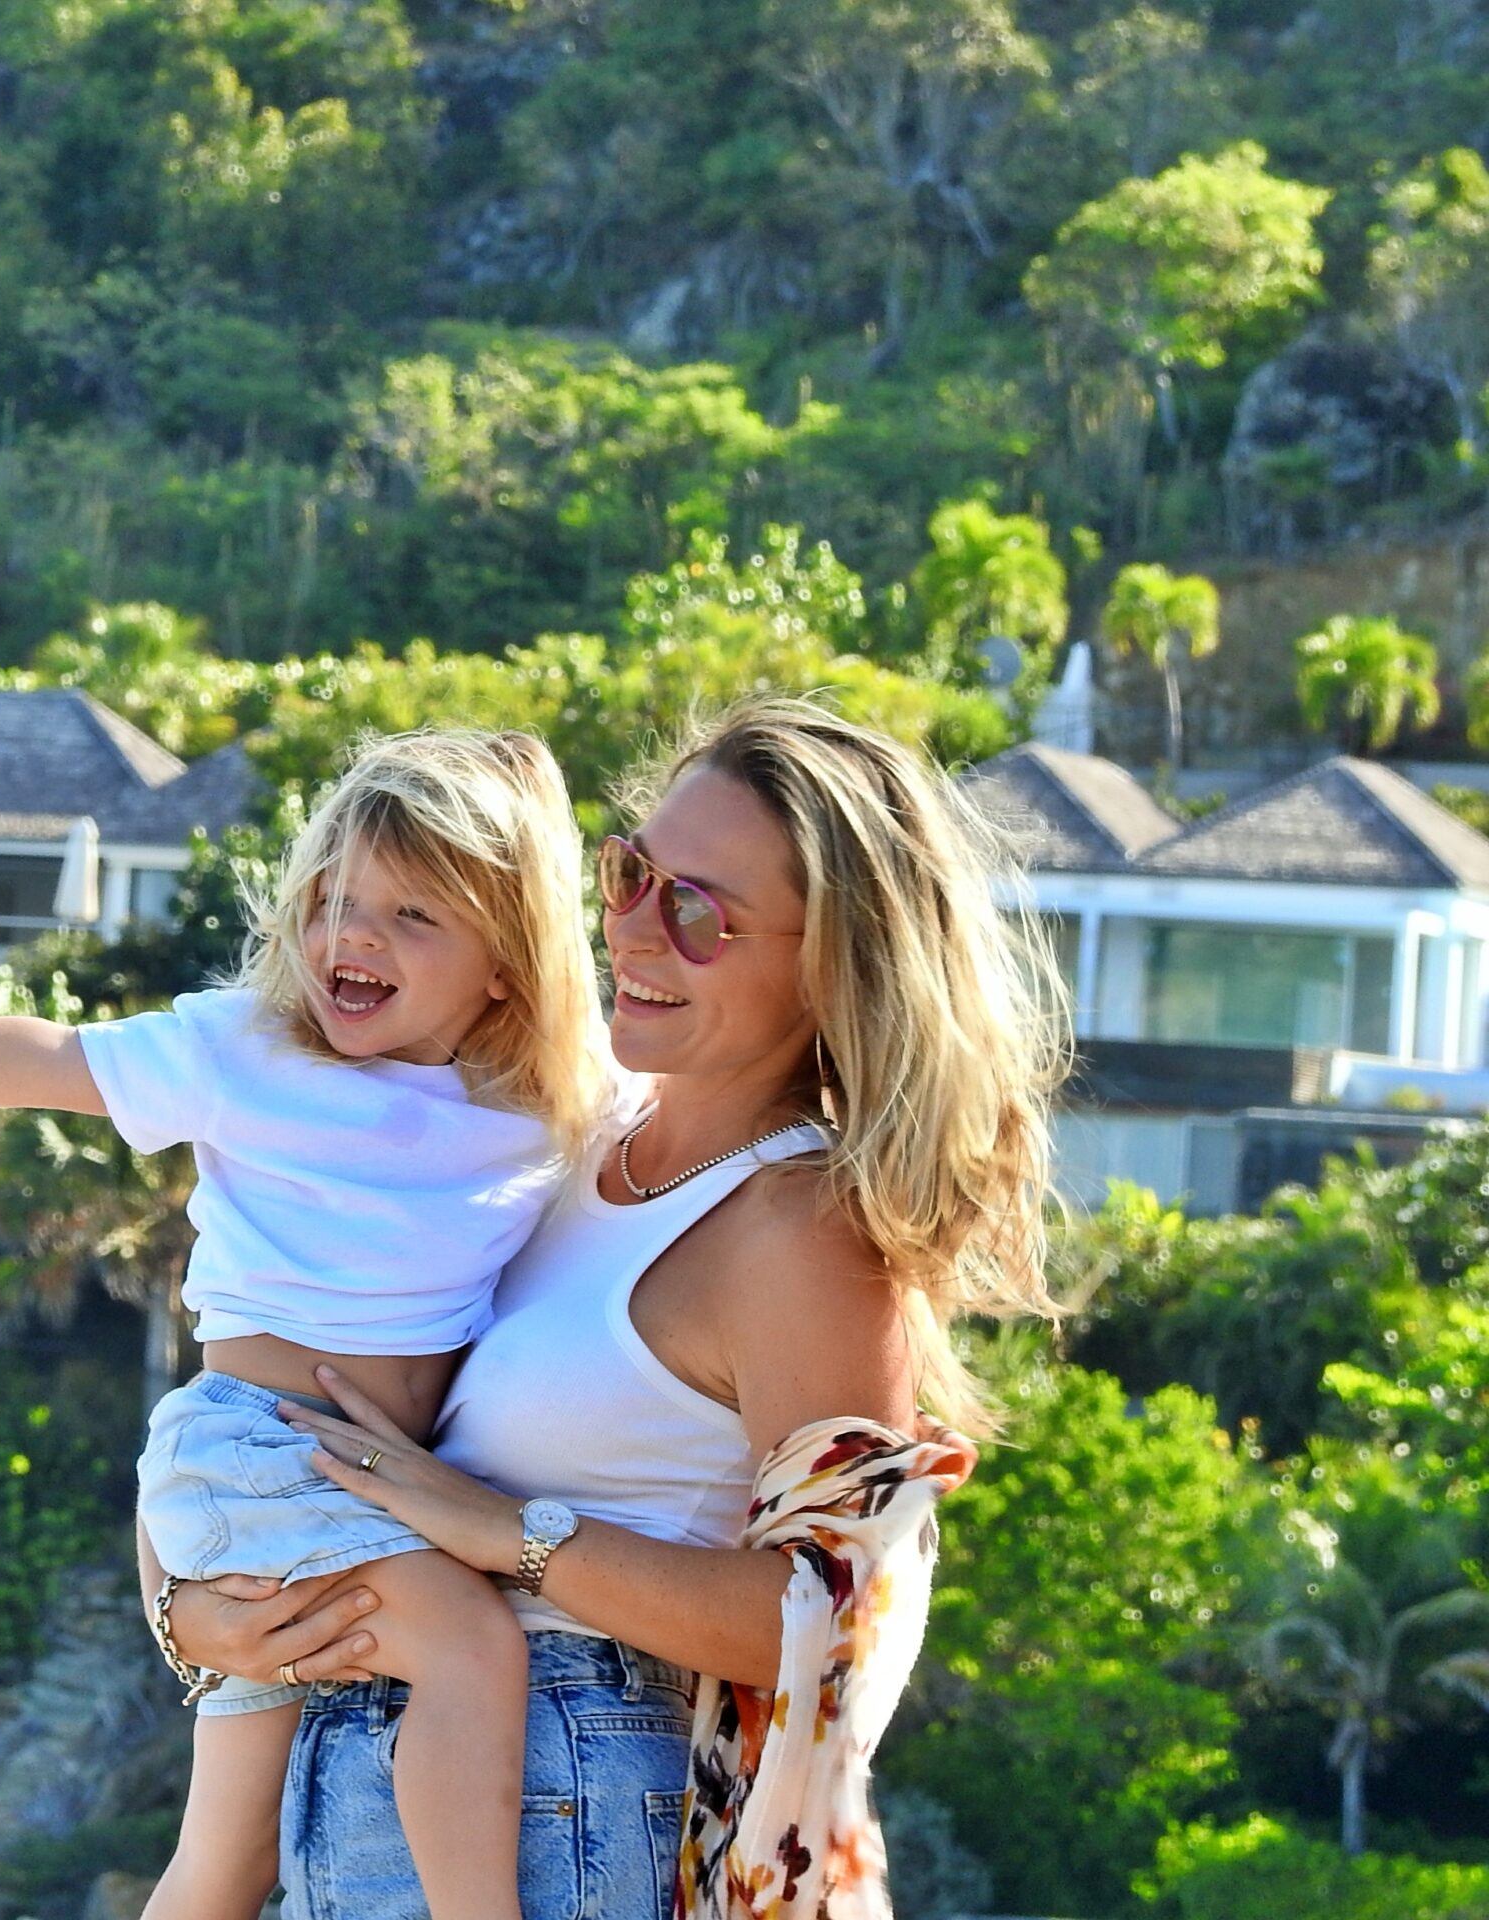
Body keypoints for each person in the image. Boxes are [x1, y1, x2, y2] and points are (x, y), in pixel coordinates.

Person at [152, 696, 1064, 1919]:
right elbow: (264, 1403)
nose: (633, 931)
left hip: (564, 1804)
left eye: (699, 912)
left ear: (831, 959)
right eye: (631, 874)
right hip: (378, 1778)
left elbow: (836, 1627)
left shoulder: (800, 1234)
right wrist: (191, 1609)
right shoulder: (557, 1143)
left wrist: (510, 1535)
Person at [0, 730, 608, 1920]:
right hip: (259, 1454)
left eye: (412, 918)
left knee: (223, 1859)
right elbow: (50, 1058)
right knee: (469, 1653)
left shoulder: (545, 1110)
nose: (350, 939)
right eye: (332, 902)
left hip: (342, 1485)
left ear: (507, 968)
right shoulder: (246, 1051)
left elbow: (704, 1092)